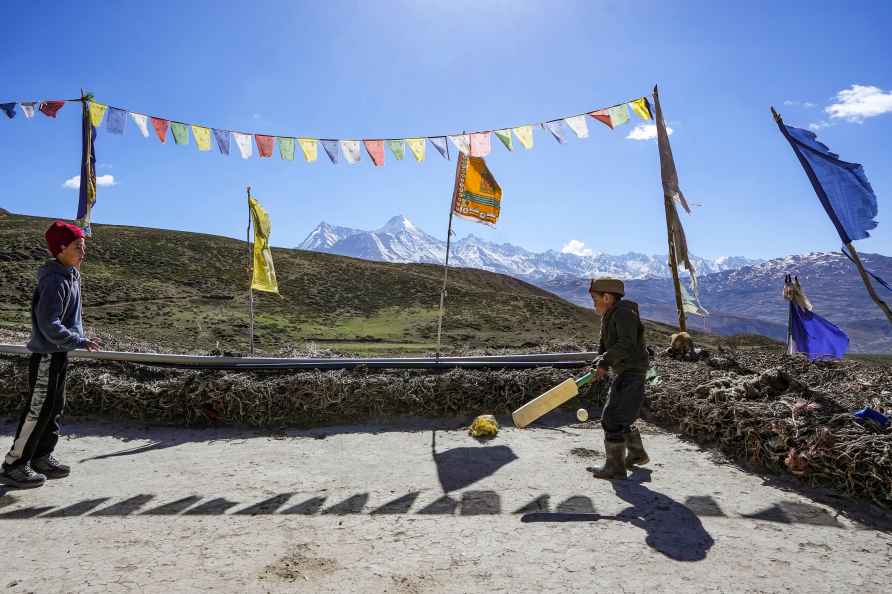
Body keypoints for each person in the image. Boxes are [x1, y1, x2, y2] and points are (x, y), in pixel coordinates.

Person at [0, 221, 101, 489]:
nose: (83, 252)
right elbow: (49, 324)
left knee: (53, 408)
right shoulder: (55, 280)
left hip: (59, 354)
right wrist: (78, 340)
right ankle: (14, 465)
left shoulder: (70, 274)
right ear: (60, 248)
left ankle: (41, 457)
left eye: (84, 246)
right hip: (46, 355)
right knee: (37, 410)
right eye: (78, 246)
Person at [588, 277, 650, 480]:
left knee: (611, 418)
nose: (593, 303)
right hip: (626, 372)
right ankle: (636, 454)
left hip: (633, 373)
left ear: (607, 297)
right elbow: (604, 346)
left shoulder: (623, 314)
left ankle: (615, 467)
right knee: (622, 415)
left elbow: (626, 344)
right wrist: (599, 363)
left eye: (595, 298)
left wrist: (605, 362)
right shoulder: (610, 315)